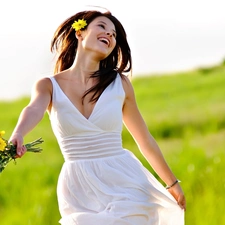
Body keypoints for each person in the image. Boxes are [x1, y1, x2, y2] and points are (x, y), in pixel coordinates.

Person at [10, 8, 186, 225]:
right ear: (80, 33)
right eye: (102, 27)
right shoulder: (48, 85)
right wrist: (18, 132)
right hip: (79, 188)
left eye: (114, 34)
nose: (110, 35)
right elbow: (33, 109)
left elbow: (145, 140)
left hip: (124, 180)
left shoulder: (119, 85)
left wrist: (172, 183)